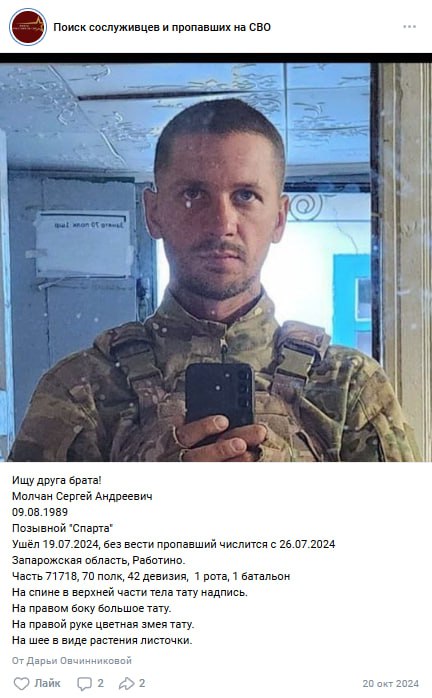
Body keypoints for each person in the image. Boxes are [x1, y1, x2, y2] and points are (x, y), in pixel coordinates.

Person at [8, 99, 420, 462]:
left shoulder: (348, 387)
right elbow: (33, 528)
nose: (222, 223)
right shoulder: (82, 390)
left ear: (278, 218)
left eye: (245, 195)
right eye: (193, 194)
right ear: (154, 212)